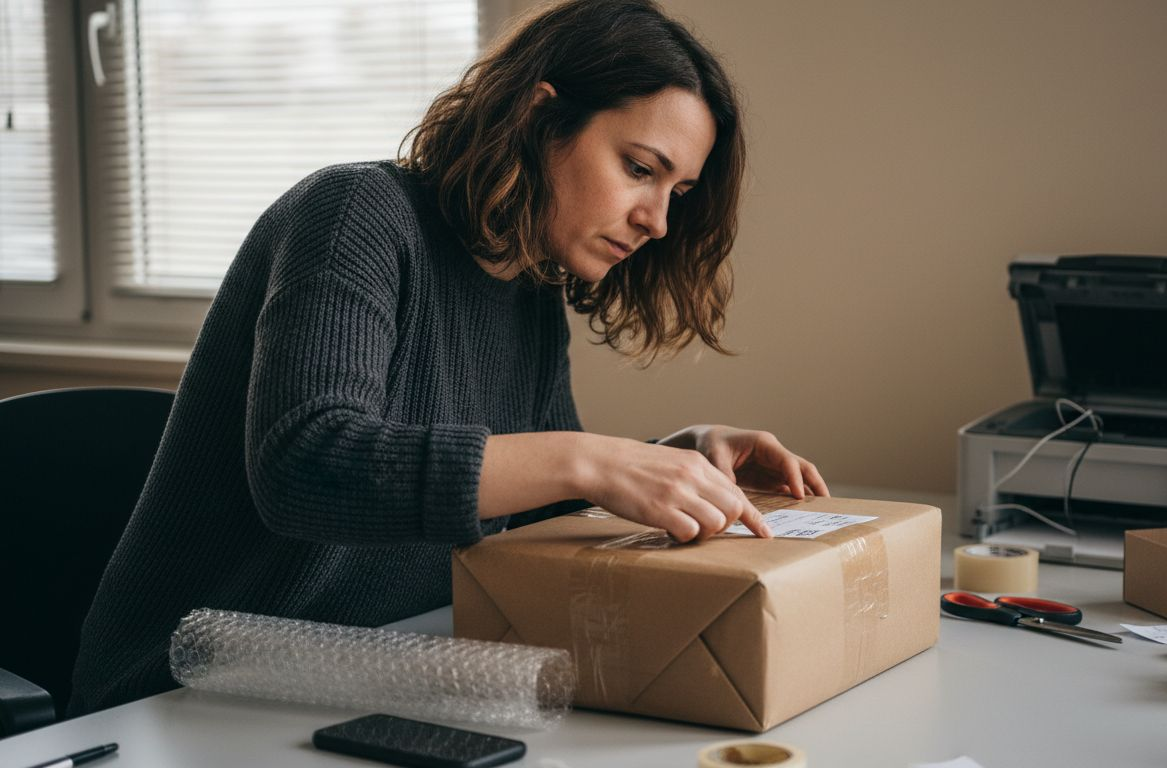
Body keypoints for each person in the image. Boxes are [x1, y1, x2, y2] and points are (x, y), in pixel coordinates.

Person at [68, 0, 828, 716]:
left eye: (678, 189)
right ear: (540, 116)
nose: (657, 220)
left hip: (367, 677)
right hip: (187, 697)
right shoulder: (354, 214)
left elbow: (539, 508)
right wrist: (594, 460)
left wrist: (673, 460)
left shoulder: (529, 291)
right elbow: (304, 465)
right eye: (639, 168)